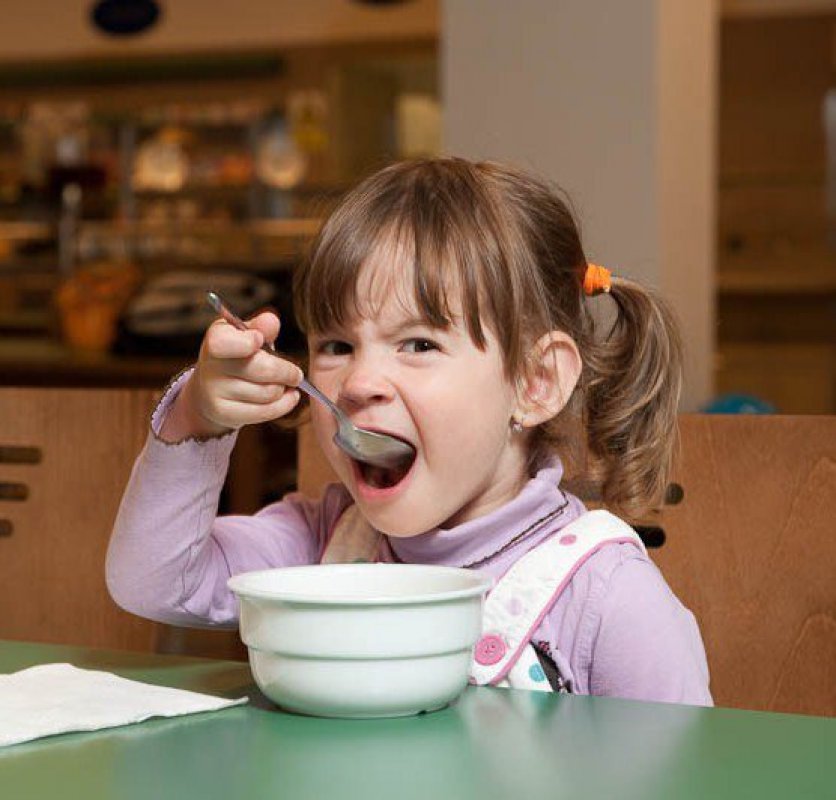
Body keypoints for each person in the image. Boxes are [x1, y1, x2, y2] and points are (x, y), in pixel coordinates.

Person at [107, 157, 711, 705]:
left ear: (536, 382)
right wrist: (197, 418)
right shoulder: (323, 544)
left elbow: (680, 773)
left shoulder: (607, 598)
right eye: (337, 346)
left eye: (418, 344)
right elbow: (154, 583)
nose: (358, 382)